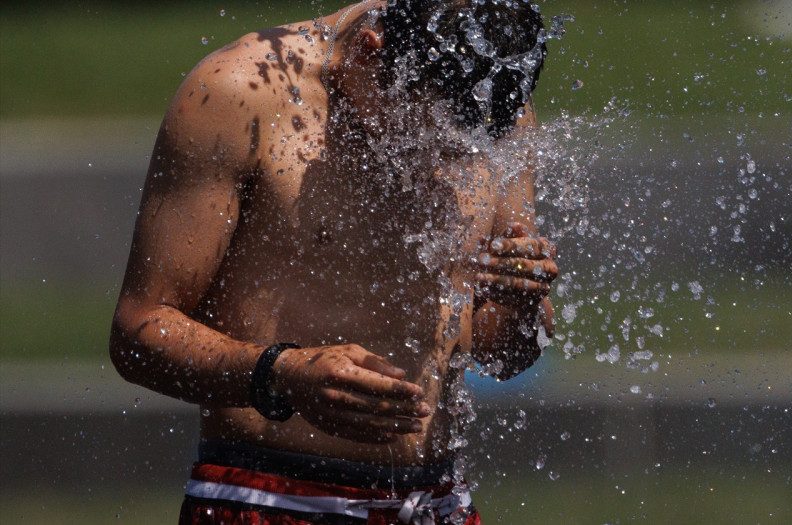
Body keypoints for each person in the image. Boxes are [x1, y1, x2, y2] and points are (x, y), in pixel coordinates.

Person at [109, 1, 557, 523]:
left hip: (438, 503)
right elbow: (138, 333)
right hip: (271, 497)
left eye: (458, 148)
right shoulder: (241, 93)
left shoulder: (489, 105)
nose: (437, 154)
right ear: (371, 50)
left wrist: (521, 304)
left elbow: (504, 357)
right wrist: (282, 375)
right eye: (420, 129)